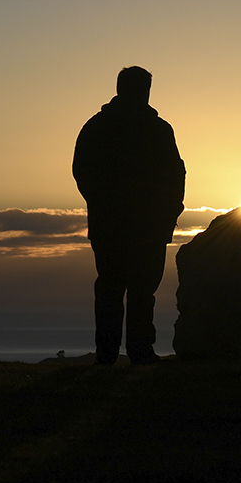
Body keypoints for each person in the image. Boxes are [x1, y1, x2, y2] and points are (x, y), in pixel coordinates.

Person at [73, 66, 185, 365]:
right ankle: (135, 352)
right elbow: (175, 175)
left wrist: (101, 204)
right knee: (136, 289)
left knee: (117, 288)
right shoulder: (157, 130)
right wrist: (168, 211)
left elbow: (82, 172)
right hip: (141, 225)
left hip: (117, 223)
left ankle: (113, 353)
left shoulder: (98, 126)